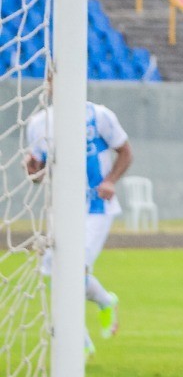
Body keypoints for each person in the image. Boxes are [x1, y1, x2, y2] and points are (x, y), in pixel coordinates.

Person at [25, 79, 134, 356]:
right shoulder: (39, 124)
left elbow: (125, 151)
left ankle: (78, 340)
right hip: (60, 210)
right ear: (48, 86)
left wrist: (110, 180)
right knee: (54, 270)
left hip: (96, 208)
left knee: (74, 271)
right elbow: (38, 176)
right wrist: (32, 169)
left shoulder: (99, 116)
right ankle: (105, 301)